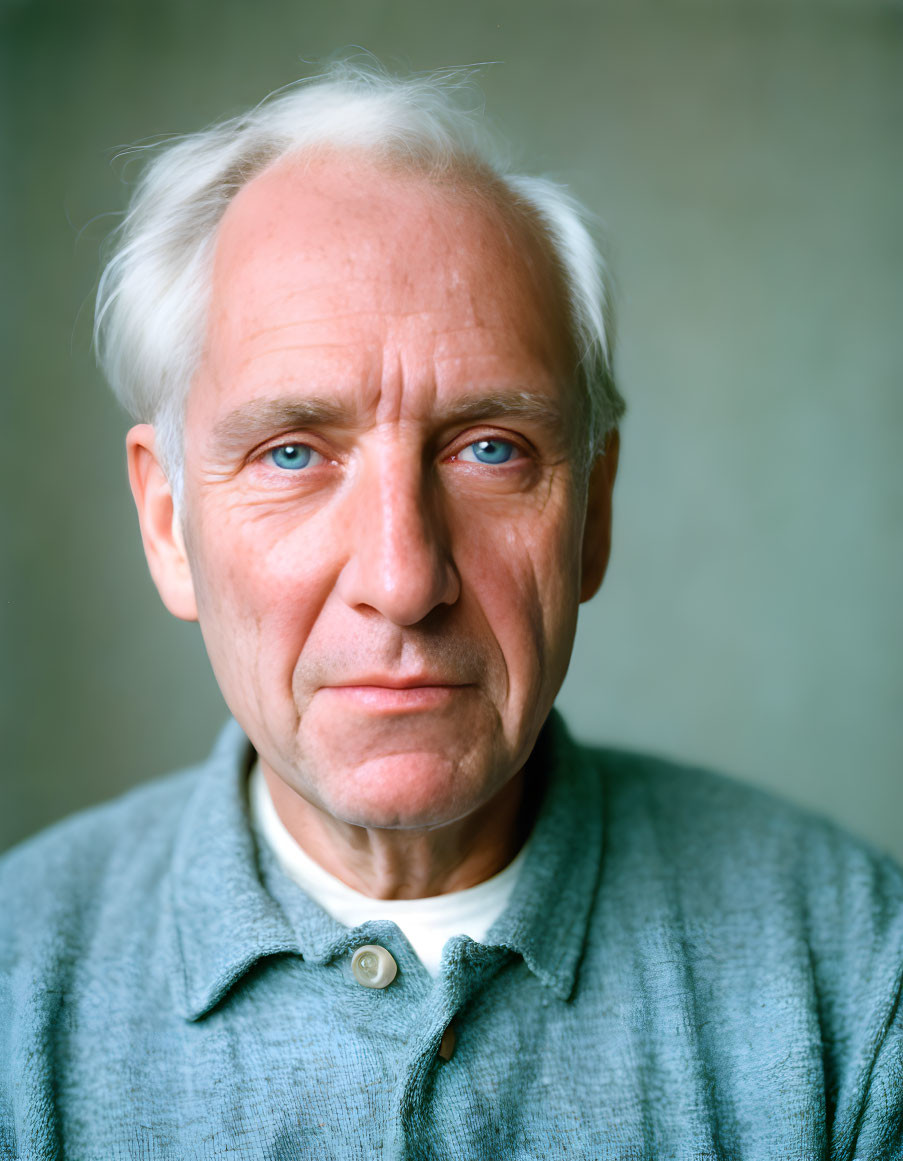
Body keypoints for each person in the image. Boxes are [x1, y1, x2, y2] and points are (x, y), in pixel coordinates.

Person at [1, 61, 901, 1160]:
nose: (404, 575)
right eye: (293, 452)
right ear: (166, 524)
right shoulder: (16, 992)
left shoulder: (858, 975)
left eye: (489, 449)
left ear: (594, 516)